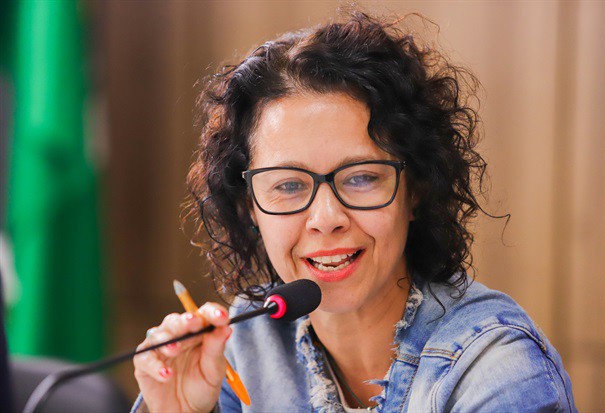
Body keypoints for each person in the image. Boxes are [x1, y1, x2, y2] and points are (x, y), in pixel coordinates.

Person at [132, 12, 576, 413]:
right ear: (250, 206)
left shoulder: (496, 369)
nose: (326, 218)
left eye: (361, 177)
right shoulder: (242, 347)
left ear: (415, 189)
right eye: (288, 185)